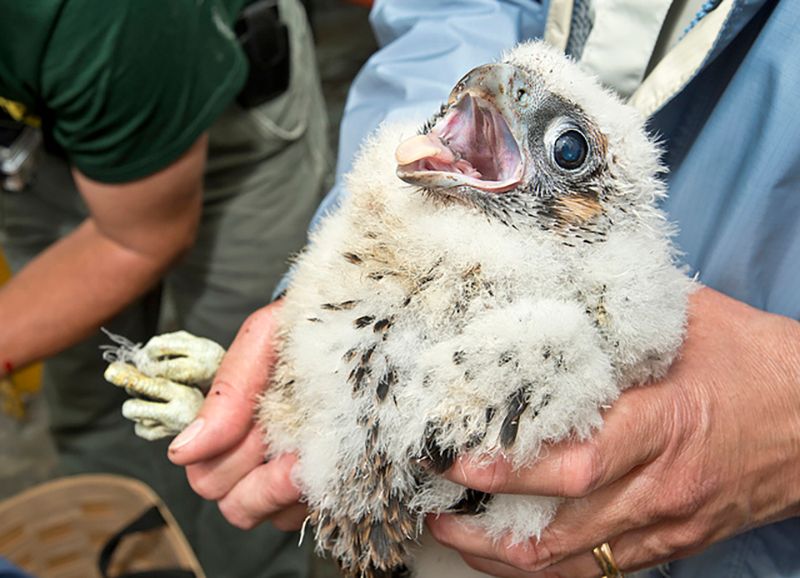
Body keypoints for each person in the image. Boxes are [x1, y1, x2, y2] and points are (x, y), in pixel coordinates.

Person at [167, 0, 800, 577]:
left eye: (568, 149)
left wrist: (789, 406)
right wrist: (322, 327)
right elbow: (449, 15)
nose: (489, 87)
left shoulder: (587, 325)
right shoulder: (469, 182)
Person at [0, 0, 329, 577]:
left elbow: (139, 240)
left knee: (247, 423)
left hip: (213, 101)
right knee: (91, 403)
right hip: (38, 132)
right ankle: (125, 548)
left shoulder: (104, 20)